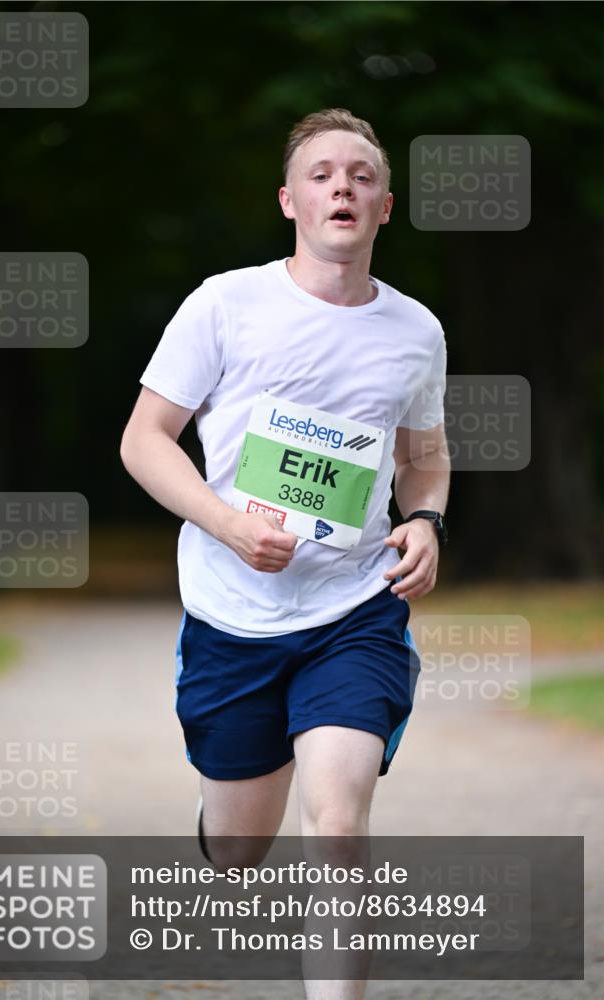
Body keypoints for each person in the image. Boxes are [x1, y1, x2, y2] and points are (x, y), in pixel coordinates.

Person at [121, 108, 450, 999]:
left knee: (337, 825)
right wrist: (226, 523)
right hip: (232, 612)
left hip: (353, 610)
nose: (342, 186)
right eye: (321, 174)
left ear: (384, 206)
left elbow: (424, 455)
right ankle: (220, 812)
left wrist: (424, 520)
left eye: (361, 176)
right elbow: (144, 439)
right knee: (237, 850)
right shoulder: (225, 304)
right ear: (288, 201)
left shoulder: (415, 331)